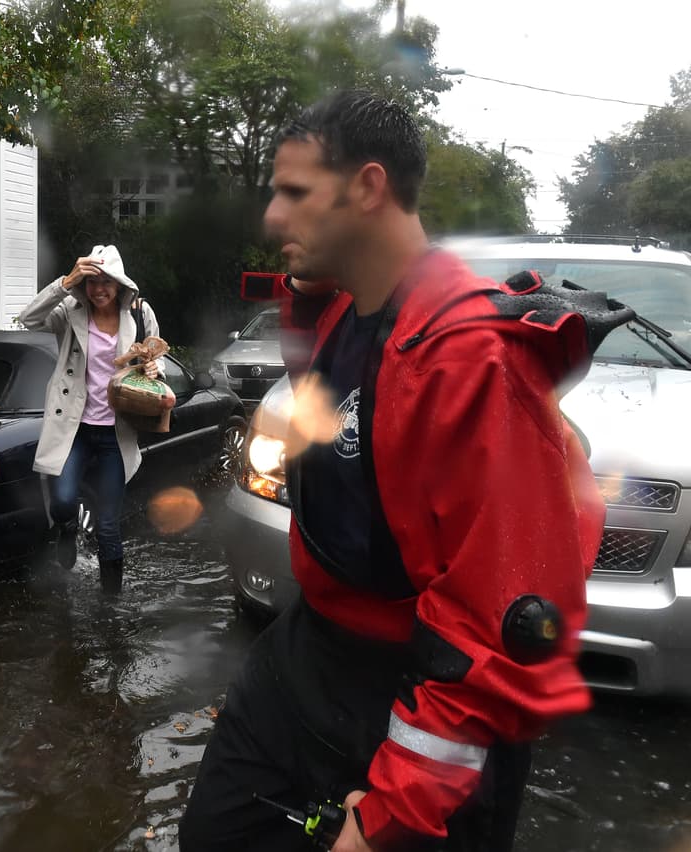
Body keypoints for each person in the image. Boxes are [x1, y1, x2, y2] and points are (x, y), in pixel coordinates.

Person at [179, 92, 626, 851]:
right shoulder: (348, 306)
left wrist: (390, 811)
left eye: (295, 193)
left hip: (417, 686)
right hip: (309, 651)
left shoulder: (474, 363)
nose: (274, 218)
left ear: (367, 188)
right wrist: (310, 282)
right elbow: (331, 385)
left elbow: (499, 628)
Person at [18, 244, 161, 592]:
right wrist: (65, 282)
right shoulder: (70, 311)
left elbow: (155, 359)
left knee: (109, 524)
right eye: (92, 281)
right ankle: (67, 529)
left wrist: (154, 369)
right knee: (63, 502)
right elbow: (29, 319)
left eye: (106, 281)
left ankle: (111, 605)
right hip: (75, 429)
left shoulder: (140, 314)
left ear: (120, 284)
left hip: (116, 433)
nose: (99, 289)